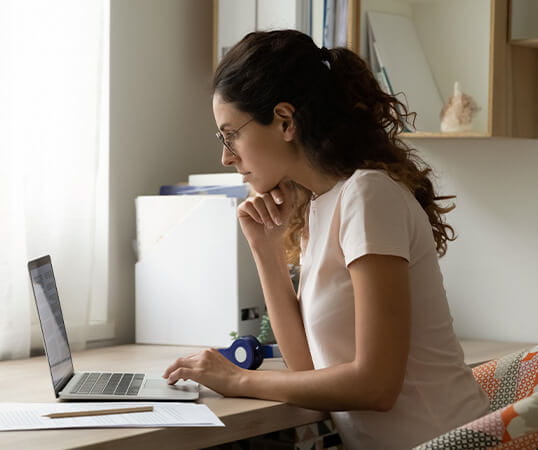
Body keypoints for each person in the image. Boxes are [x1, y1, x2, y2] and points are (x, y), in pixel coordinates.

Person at [162, 30, 489, 449]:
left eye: (230, 135)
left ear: (284, 120)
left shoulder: (368, 195)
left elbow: (376, 387)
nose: (226, 156)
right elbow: (307, 370)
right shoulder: (321, 206)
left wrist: (238, 378)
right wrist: (266, 250)